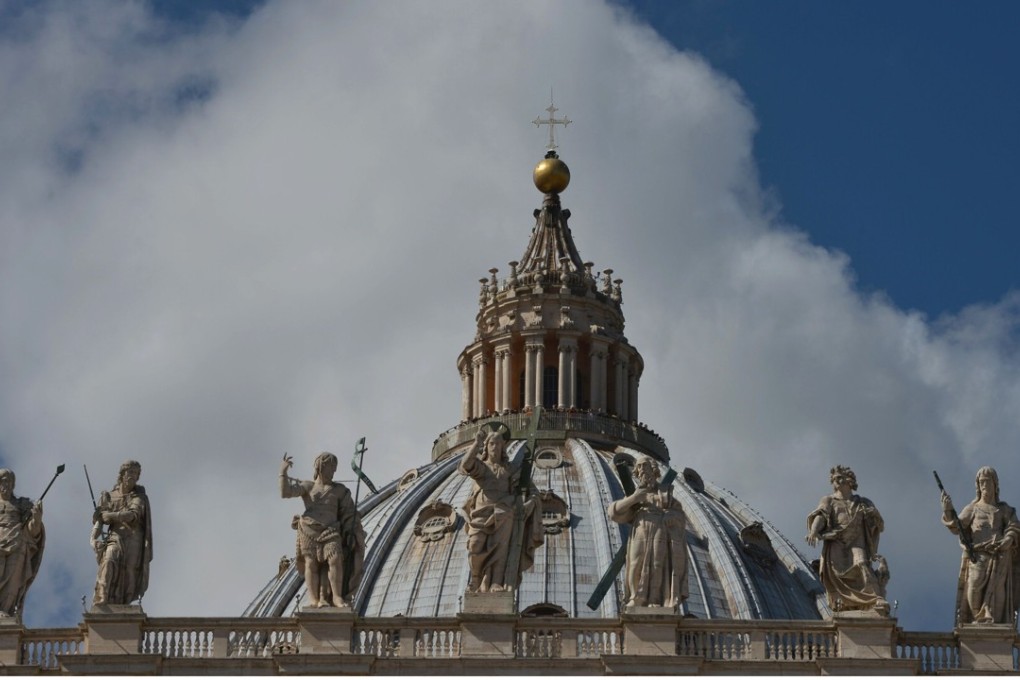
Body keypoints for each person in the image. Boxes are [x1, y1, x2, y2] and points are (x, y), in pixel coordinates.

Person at [459, 425, 543, 593]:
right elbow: (466, 464)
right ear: (486, 447)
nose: (495, 447)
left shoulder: (511, 470)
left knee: (501, 549)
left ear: (503, 447)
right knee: (475, 544)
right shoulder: (482, 468)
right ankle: (476, 579)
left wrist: (530, 503)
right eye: (491, 444)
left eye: (498, 444)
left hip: (505, 512)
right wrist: (476, 443)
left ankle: (496, 582)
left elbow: (533, 492)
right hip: (481, 513)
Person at [280, 452, 365, 608]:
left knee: (335, 560)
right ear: (321, 466)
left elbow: (349, 513)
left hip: (331, 530)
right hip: (309, 530)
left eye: (335, 468)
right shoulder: (308, 486)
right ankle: (313, 599)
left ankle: (337, 597)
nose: (333, 471)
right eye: (331, 467)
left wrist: (351, 530)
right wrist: (283, 473)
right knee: (311, 563)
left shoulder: (340, 490)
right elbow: (286, 493)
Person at [806, 465, 890, 615]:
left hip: (857, 541)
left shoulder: (863, 502)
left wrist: (874, 515)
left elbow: (880, 525)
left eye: (839, 478)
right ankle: (844, 602)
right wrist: (814, 530)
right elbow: (821, 516)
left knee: (862, 563)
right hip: (836, 539)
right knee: (837, 572)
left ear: (849, 480)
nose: (835, 482)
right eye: (833, 480)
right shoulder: (829, 500)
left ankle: (874, 598)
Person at [941, 466, 1020, 624]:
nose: (984, 485)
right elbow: (958, 526)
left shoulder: (1005, 509)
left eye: (987, 481)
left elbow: (1014, 527)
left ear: (995, 484)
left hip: (1000, 553)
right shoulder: (973, 508)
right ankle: (977, 618)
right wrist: (948, 510)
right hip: (978, 554)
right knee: (974, 584)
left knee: (998, 588)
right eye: (981, 482)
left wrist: (1007, 540)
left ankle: (995, 621)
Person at [607, 457, 688, 609]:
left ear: (654, 470)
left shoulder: (666, 493)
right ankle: (635, 597)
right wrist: (634, 498)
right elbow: (614, 513)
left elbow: (680, 516)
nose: (642, 470)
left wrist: (670, 516)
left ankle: (654, 600)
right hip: (641, 530)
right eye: (639, 468)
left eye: (645, 466)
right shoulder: (636, 495)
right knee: (635, 563)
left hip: (660, 529)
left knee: (657, 563)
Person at [91, 460, 153, 606]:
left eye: (136, 474)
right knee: (108, 561)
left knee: (131, 571)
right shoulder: (108, 496)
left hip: (134, 537)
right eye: (131, 472)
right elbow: (99, 521)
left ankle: (125, 605)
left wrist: (111, 516)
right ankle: (102, 599)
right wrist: (93, 539)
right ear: (123, 474)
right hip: (115, 536)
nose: (134, 476)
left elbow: (133, 515)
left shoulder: (139, 497)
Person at [0, 469, 44, 617]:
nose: (4, 484)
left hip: (17, 544)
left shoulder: (22, 504)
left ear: (13, 484)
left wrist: (36, 519)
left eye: (7, 480)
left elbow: (32, 532)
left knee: (12, 580)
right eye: (1, 480)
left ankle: (5, 611)